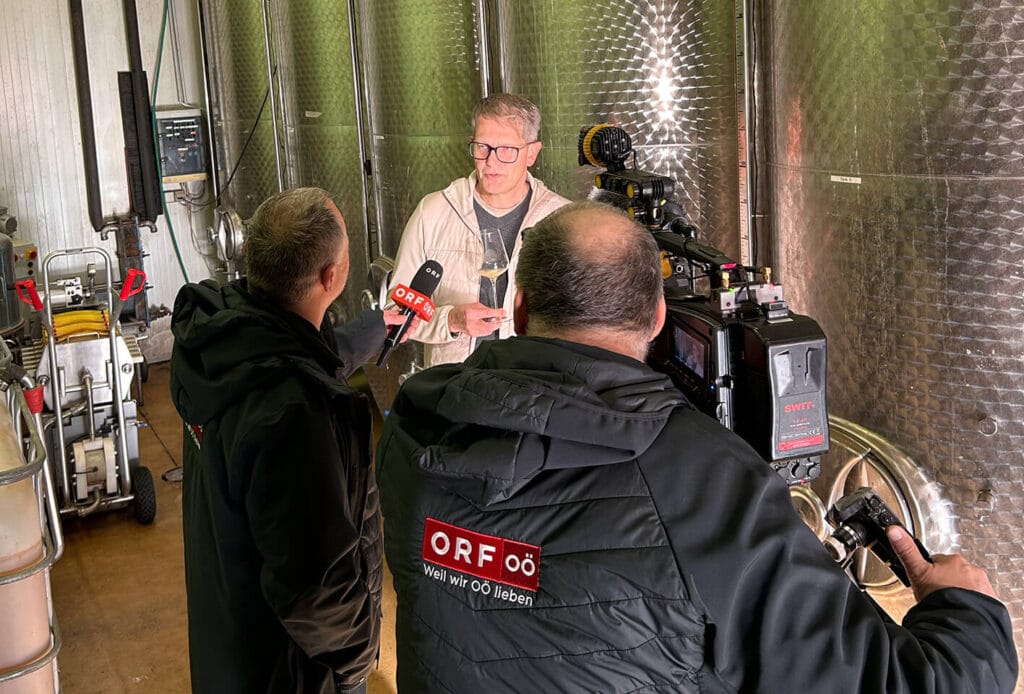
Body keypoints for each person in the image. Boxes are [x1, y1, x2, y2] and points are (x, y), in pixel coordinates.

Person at [375, 201, 1018, 693]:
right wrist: (966, 611)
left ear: (519, 309)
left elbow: (524, 571)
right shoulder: (702, 478)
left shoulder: (414, 424)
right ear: (658, 321)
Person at [170, 187, 411, 693]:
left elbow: (298, 350)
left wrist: (377, 327)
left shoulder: (215, 344)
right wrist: (356, 662)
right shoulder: (295, 416)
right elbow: (317, 592)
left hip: (227, 642)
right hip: (289, 673)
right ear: (332, 277)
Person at [387, 92, 570, 367]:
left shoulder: (561, 219)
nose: (491, 161)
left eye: (506, 149)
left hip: (532, 382)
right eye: (482, 147)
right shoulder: (434, 212)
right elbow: (396, 311)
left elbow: (581, 320)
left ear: (532, 153)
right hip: (454, 384)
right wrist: (451, 320)